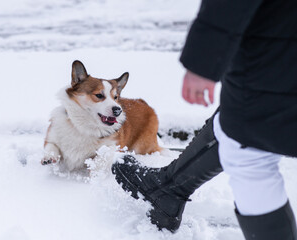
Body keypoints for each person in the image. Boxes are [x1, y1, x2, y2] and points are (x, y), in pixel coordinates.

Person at [111, 0, 297, 239]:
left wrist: (203, 61)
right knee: (241, 123)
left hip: (278, 52)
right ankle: (167, 189)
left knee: (250, 157)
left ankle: (167, 190)